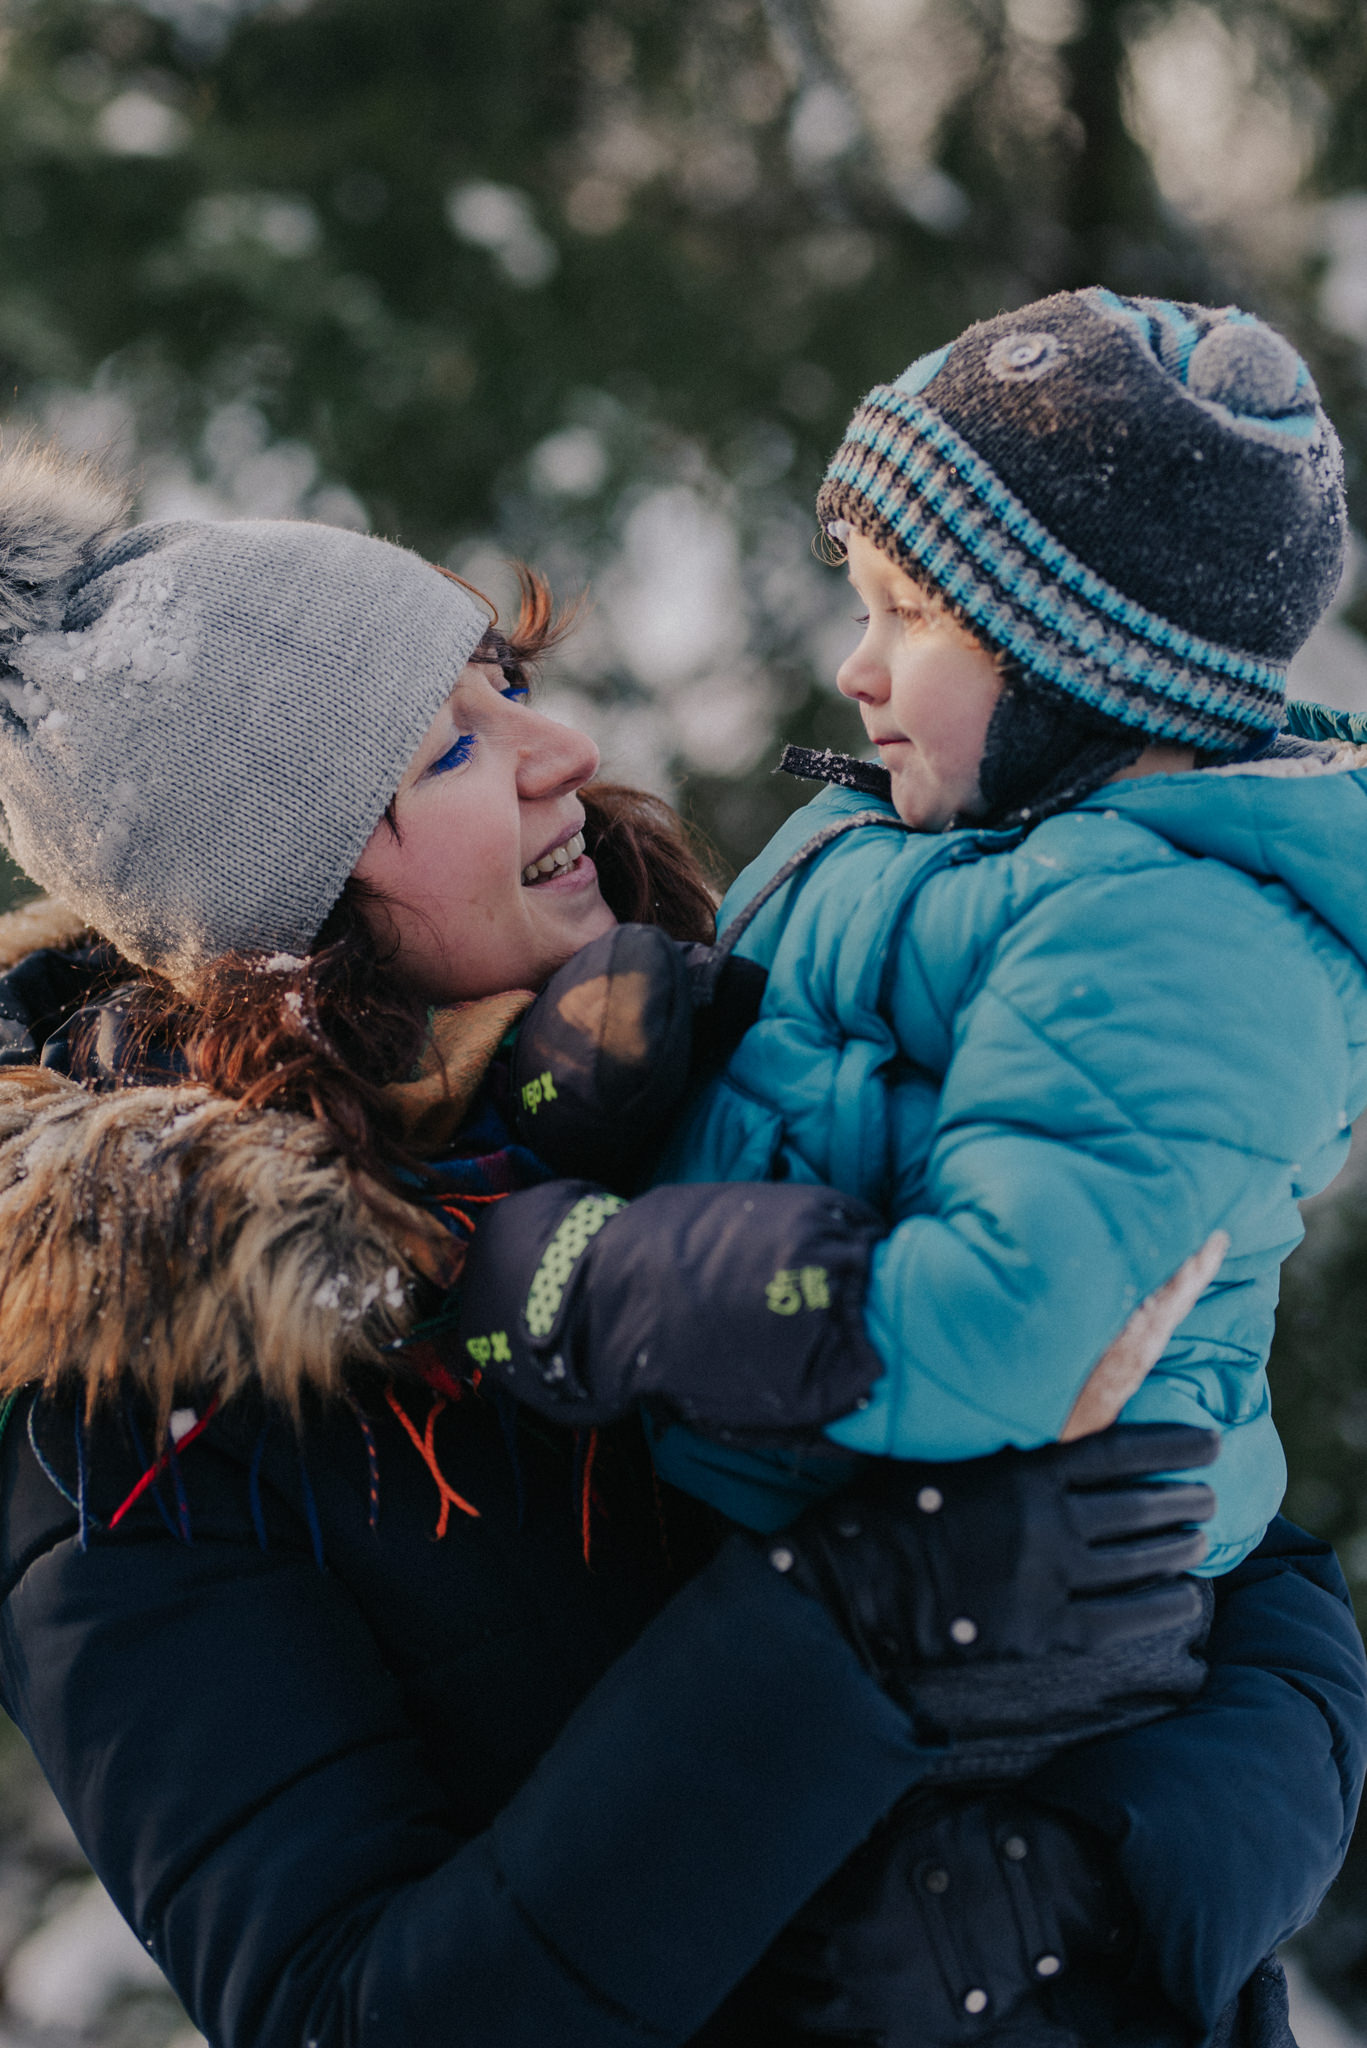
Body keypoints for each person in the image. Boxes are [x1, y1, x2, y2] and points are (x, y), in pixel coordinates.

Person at [0, 438, 1356, 2048]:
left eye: (508, 679)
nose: (561, 748)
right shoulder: (139, 1409)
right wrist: (848, 1631)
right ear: (285, 912)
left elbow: (1243, 1552)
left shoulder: (727, 1029)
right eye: (447, 751)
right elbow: (344, 2014)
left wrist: (1084, 1876)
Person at [435, 293, 1367, 2036]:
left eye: (910, 617)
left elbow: (987, 1329)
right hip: (853, 1572)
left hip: (1039, 1646)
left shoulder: (1183, 945)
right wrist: (633, 1063)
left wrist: (598, 1284)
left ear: (1092, 654)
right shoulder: (942, 831)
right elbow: (828, 1067)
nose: (855, 668)